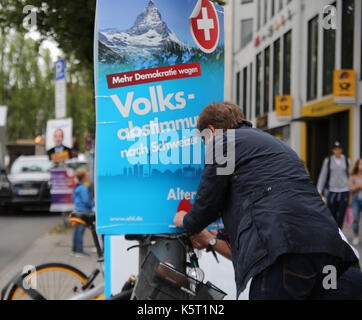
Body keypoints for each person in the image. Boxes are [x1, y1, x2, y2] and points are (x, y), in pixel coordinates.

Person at [173, 102, 359, 300]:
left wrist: (186, 221)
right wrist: (215, 238)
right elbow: (264, 204)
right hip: (331, 253)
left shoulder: (224, 141)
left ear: (210, 131)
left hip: (286, 249)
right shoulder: (275, 145)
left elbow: (208, 204)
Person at [317, 141, 351, 229]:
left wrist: (352, 188)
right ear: (333, 150)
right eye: (335, 149)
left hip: (344, 190)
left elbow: (350, 175)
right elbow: (323, 175)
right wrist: (319, 189)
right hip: (332, 190)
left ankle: (340, 233)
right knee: (332, 213)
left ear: (341, 150)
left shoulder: (347, 160)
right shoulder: (328, 160)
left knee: (341, 213)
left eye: (339, 149)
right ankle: (334, 232)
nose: (337, 151)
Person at [72, 168, 94, 257]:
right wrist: (93, 204)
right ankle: (79, 250)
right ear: (84, 177)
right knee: (80, 231)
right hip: (84, 212)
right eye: (87, 176)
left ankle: (74, 249)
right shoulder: (83, 188)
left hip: (77, 211)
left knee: (77, 231)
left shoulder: (77, 187)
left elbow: (73, 198)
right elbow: (86, 201)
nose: (88, 177)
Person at [349, 159, 362, 246]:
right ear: (357, 165)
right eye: (361, 163)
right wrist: (359, 186)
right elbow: (350, 188)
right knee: (356, 219)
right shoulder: (353, 175)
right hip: (356, 199)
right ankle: (356, 235)